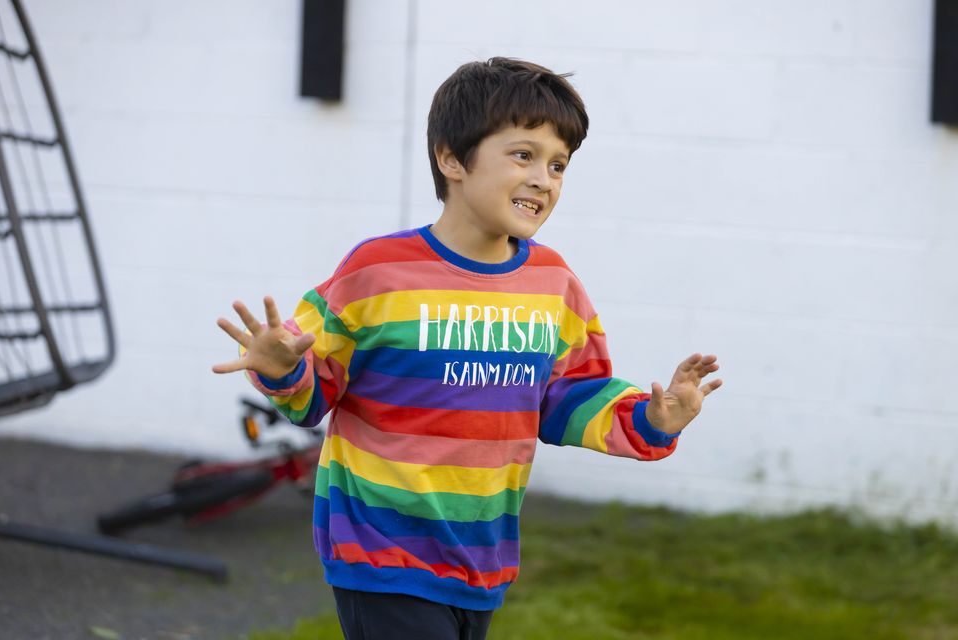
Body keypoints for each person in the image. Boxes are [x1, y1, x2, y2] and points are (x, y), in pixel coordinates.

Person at [213, 57, 722, 640]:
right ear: (451, 158)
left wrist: (651, 418)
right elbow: (310, 395)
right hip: (381, 552)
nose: (544, 178)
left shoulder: (555, 285)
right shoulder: (377, 271)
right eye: (523, 155)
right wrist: (284, 370)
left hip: (481, 557)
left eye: (559, 164)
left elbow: (567, 397)